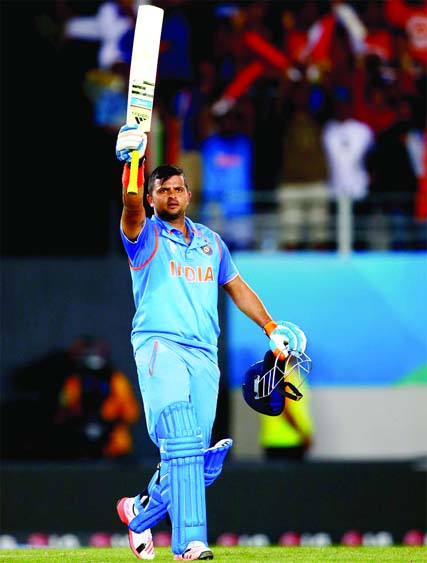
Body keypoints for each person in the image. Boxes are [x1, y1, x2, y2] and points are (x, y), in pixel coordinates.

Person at [113, 123, 308, 561]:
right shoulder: (144, 237)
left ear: (187, 193)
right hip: (160, 345)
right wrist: (132, 164)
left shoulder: (210, 242)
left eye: (179, 189)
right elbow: (128, 206)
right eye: (163, 190)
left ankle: (140, 511)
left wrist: (270, 327)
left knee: (195, 461)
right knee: (180, 438)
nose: (173, 196)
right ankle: (189, 545)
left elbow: (238, 288)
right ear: (152, 196)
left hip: (205, 354)